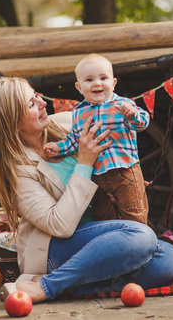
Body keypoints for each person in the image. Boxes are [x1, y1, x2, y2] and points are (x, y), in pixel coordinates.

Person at [0, 76, 173, 303]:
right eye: (31, 104)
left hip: (101, 233)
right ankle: (47, 287)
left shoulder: (71, 122)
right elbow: (59, 225)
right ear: (12, 122)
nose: (42, 102)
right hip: (55, 248)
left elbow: (117, 145)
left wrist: (120, 182)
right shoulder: (16, 170)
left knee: (172, 260)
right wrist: (85, 162)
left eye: (36, 95)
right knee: (141, 237)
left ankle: (71, 286)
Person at [45, 53, 150, 224]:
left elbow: (142, 124)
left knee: (134, 212)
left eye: (103, 78)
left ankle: (140, 242)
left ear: (113, 83)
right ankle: (111, 243)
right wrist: (59, 147)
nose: (97, 83)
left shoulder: (123, 104)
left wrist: (133, 116)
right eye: (89, 80)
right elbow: (75, 140)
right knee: (102, 215)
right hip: (96, 176)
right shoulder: (79, 112)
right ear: (79, 87)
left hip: (124, 169)